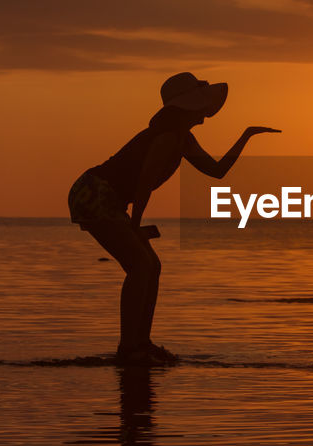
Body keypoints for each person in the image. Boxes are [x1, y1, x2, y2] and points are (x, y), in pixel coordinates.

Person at [68, 72, 280, 364]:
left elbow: (217, 172)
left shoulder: (184, 139)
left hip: (108, 197)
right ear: (188, 108)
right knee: (140, 265)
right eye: (201, 105)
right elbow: (144, 182)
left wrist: (246, 135)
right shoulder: (168, 138)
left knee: (152, 265)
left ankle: (141, 342)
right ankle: (129, 347)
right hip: (94, 192)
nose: (206, 113)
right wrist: (134, 225)